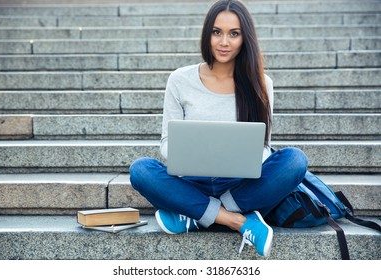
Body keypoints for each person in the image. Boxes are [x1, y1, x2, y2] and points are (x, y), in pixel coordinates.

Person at [129, 0, 308, 258]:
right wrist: (190, 157)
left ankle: (197, 215)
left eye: (234, 34)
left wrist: (245, 159)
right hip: (191, 183)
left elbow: (264, 147)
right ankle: (238, 221)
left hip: (239, 186)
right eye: (217, 32)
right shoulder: (180, 80)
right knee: (141, 170)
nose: (224, 42)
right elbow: (167, 144)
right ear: (207, 34)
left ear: (245, 38)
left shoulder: (261, 84)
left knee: (295, 161)